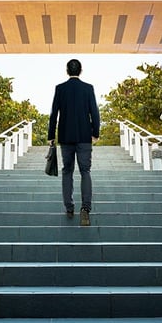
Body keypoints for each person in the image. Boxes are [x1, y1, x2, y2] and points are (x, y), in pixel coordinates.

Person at [47, 58, 100, 226]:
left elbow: (54, 114)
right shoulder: (88, 88)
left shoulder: (60, 88)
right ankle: (85, 209)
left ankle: (69, 208)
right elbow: (94, 113)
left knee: (67, 171)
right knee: (85, 171)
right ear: (81, 71)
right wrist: (95, 133)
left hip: (66, 137)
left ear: (67, 71)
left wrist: (51, 135)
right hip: (84, 137)